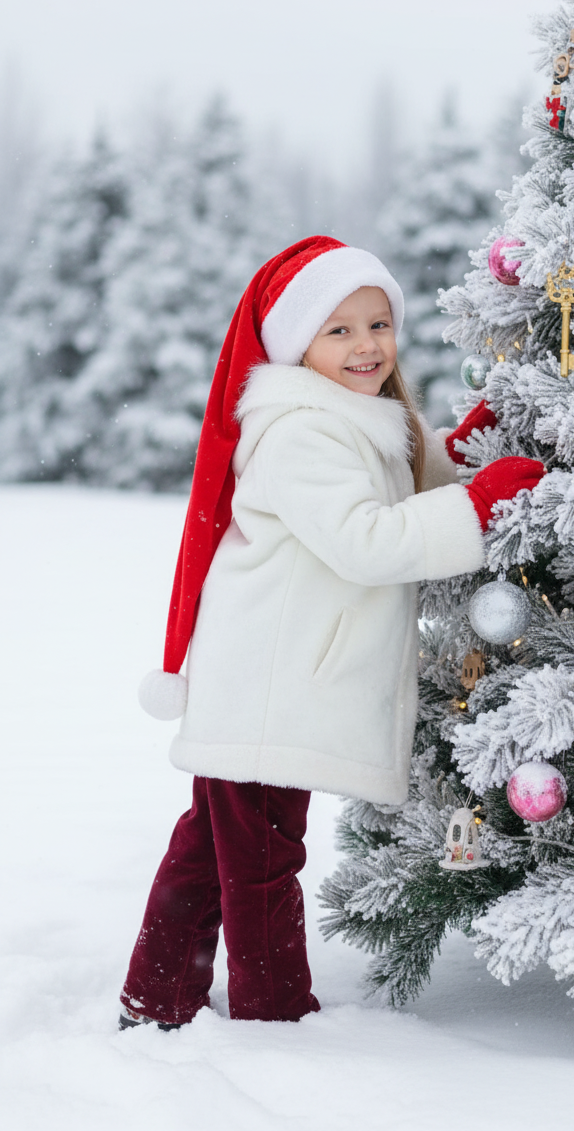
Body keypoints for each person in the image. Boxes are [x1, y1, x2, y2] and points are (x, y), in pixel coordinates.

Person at [120, 236, 544, 1030]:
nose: (365, 347)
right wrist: (479, 504)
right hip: (270, 677)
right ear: (296, 345)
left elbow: (413, 483)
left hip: (279, 680)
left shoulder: (359, 417)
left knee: (215, 846)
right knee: (259, 857)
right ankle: (272, 1010)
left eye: (377, 325)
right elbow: (368, 538)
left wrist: (470, 451)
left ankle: (158, 996)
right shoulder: (300, 430)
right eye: (338, 330)